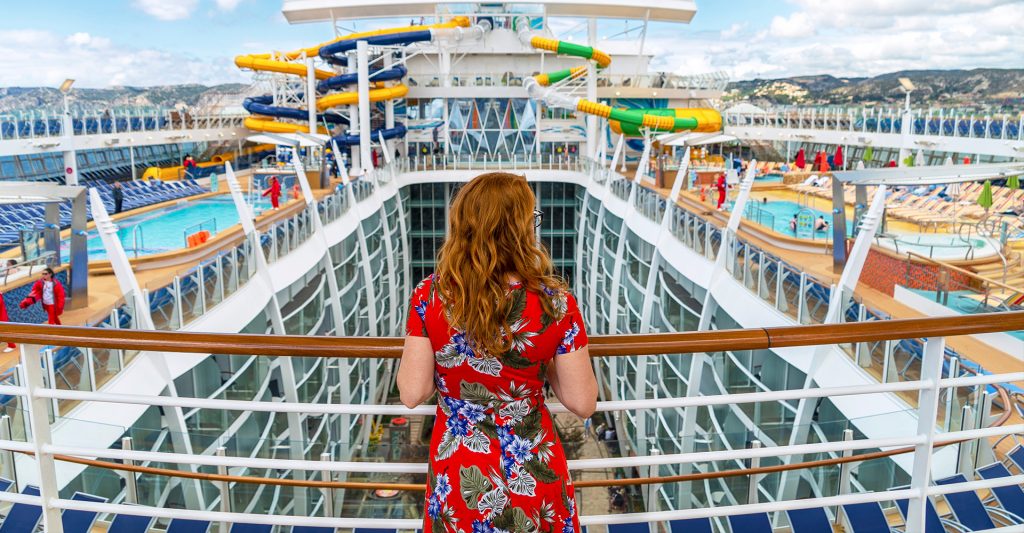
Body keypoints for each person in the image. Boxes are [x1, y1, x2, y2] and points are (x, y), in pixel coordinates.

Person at [397, 172, 596, 533]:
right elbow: (582, 402)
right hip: (532, 467)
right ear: (520, 230)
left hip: (460, 474)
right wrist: (541, 358)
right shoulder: (556, 304)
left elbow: (412, 393)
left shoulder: (430, 295)